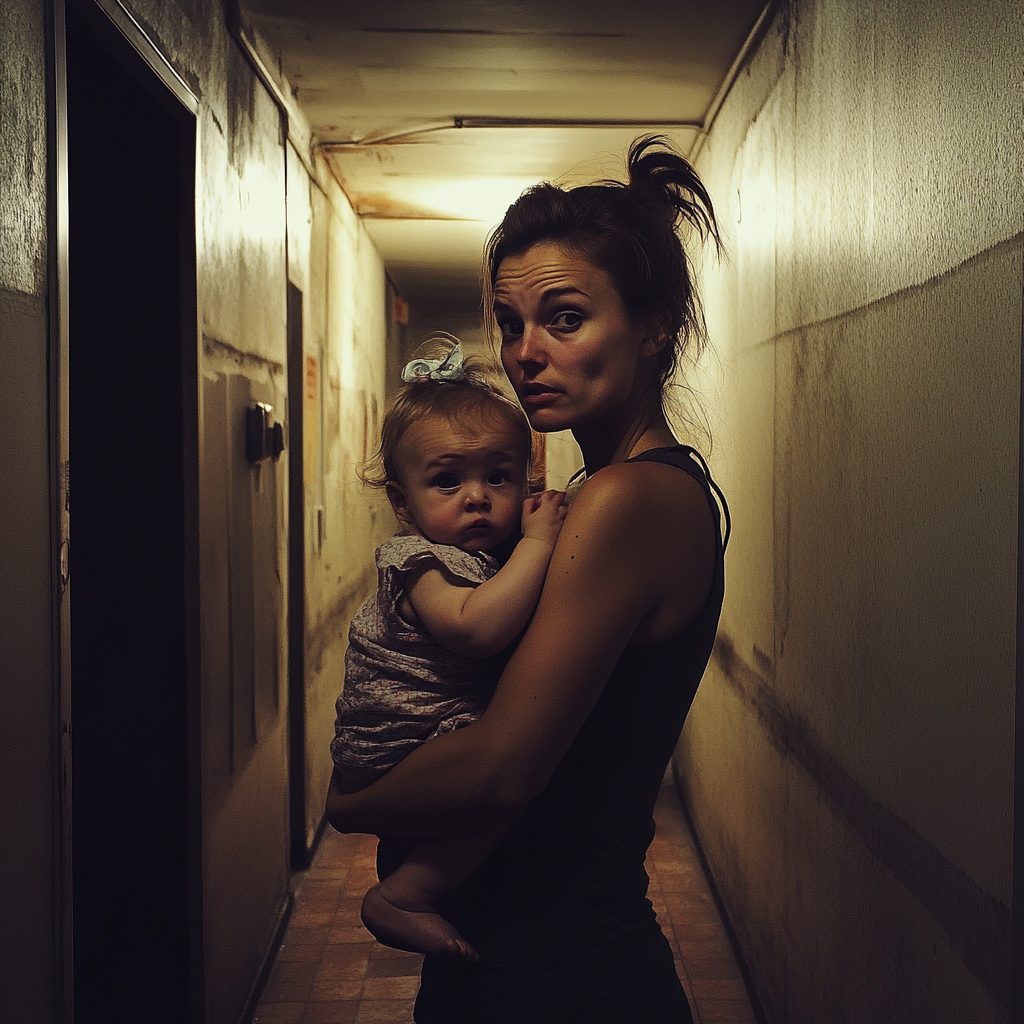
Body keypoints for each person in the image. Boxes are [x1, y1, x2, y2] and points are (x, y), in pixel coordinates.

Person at [327, 135, 730, 1024]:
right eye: (512, 324)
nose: (526, 353)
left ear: (653, 326)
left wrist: (350, 803)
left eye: (565, 317)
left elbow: (503, 770)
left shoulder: (625, 500)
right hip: (521, 956)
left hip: (561, 973)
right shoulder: (602, 496)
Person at [330, 342, 567, 962]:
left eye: (499, 476)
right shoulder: (419, 562)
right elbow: (474, 630)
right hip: (399, 740)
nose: (477, 496)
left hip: (415, 736)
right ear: (402, 505)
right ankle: (403, 895)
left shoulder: (485, 557)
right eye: (447, 480)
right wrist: (541, 546)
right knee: (510, 779)